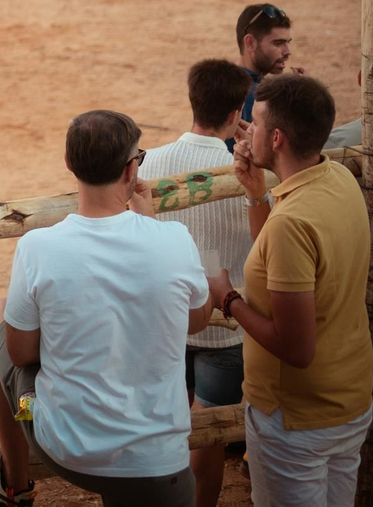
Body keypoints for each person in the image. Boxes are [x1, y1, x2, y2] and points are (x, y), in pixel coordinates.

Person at [0, 110, 209, 507]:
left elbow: (20, 354)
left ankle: (15, 486)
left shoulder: (39, 247)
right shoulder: (175, 240)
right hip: (159, 463)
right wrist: (152, 224)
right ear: (131, 169)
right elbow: (196, 320)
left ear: (69, 165)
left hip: (62, 443)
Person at [207, 74, 373, 506]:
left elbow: (296, 349)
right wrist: (257, 195)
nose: (247, 131)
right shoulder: (336, 178)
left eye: (255, 123)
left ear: (277, 137)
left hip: (297, 418)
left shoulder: (291, 223)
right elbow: (280, 261)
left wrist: (229, 299)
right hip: (347, 400)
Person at [139, 60, 270, 507]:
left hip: (169, 324)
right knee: (210, 437)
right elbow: (267, 241)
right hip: (226, 324)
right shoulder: (252, 173)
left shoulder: (151, 163)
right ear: (238, 113)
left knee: (163, 425)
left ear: (192, 100)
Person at [235, 4, 297, 123]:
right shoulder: (248, 98)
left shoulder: (230, 84)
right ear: (250, 43)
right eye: (278, 43)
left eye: (288, 42)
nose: (287, 52)